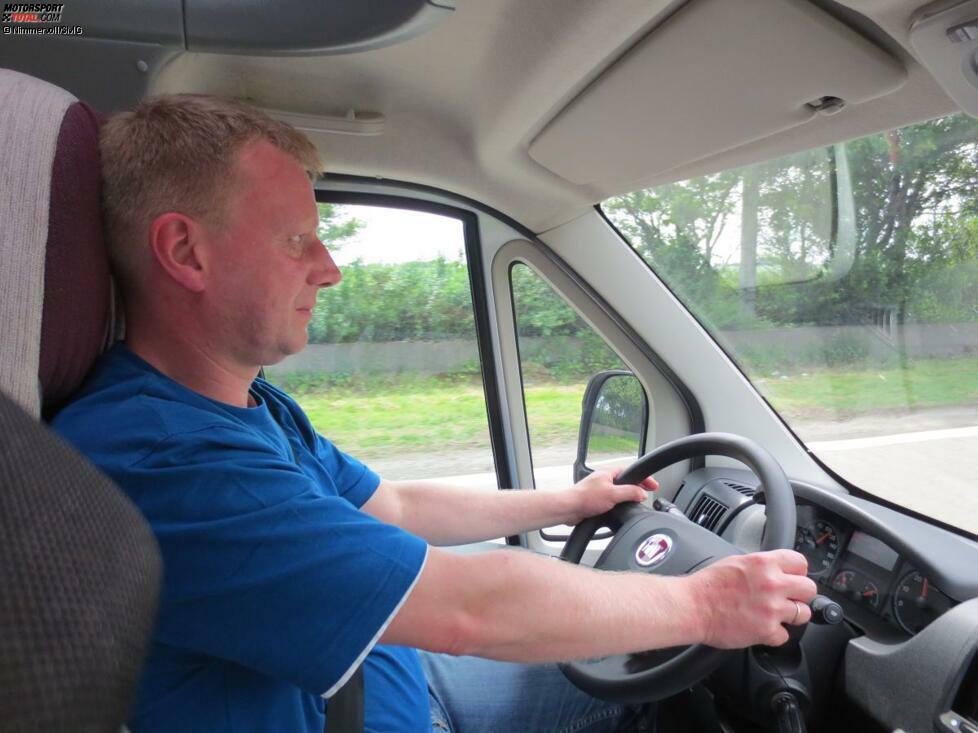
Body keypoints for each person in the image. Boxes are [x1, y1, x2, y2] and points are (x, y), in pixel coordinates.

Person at [53, 95, 817, 733]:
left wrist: (573, 499)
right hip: (385, 705)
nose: (331, 267)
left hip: (405, 686)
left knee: (644, 688)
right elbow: (467, 611)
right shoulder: (161, 459)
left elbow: (399, 504)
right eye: (297, 240)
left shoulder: (246, 406)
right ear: (186, 251)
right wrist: (704, 601)